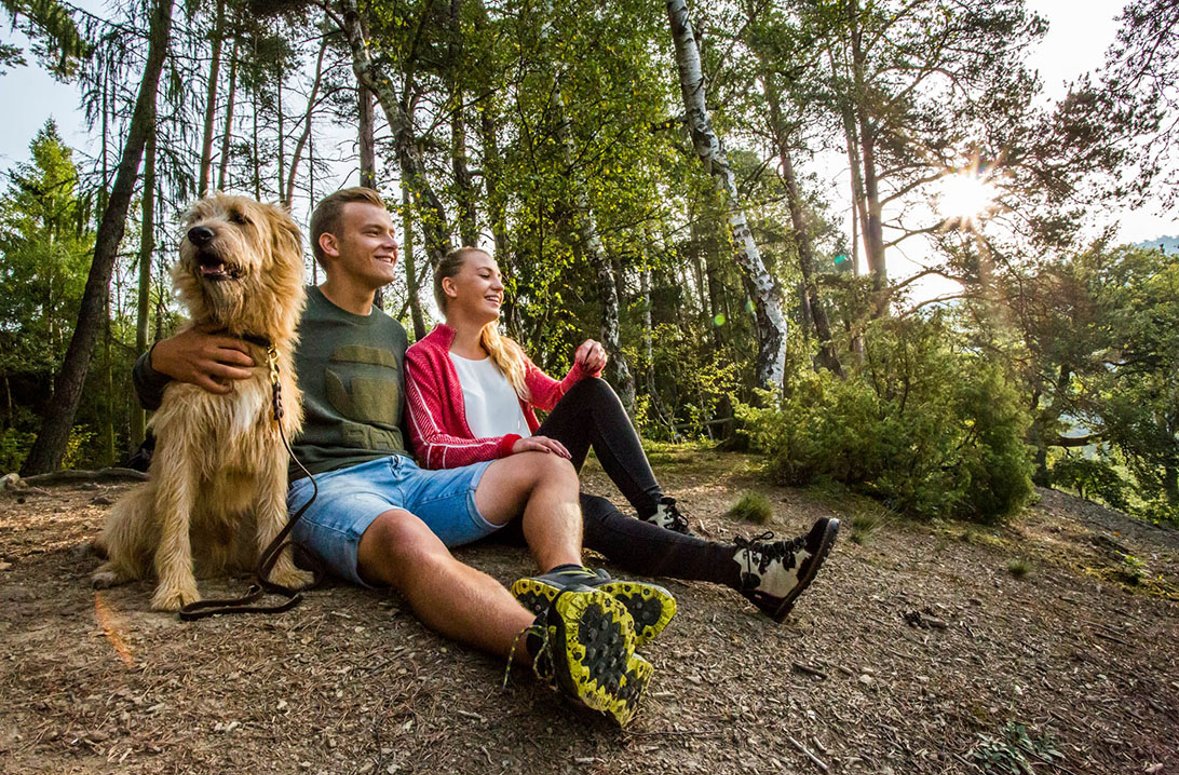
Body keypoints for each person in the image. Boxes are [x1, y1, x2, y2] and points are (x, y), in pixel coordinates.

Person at [130, 189, 667, 726]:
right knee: (407, 538)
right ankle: (548, 649)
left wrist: (509, 439)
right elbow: (196, 365)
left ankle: (570, 587)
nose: (391, 242)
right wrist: (158, 359)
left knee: (550, 461)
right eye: (374, 232)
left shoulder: (394, 334)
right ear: (329, 245)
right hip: (332, 487)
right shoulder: (287, 310)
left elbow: (429, 430)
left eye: (391, 232)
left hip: (406, 475)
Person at [403, 246, 841, 625]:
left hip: (542, 476)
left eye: (499, 276)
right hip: (488, 494)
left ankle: (675, 522)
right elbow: (431, 448)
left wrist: (583, 367)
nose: (498, 284)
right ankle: (748, 569)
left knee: (591, 394)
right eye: (485, 275)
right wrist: (511, 445)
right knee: (595, 513)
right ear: (450, 286)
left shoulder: (506, 351)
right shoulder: (424, 357)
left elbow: (557, 398)